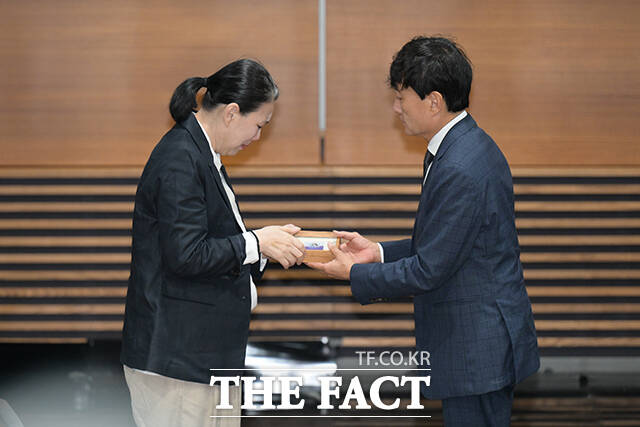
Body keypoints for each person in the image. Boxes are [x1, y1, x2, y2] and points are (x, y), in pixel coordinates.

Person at [308, 36, 540, 426]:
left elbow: (430, 269)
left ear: (433, 101)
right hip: (477, 342)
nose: (396, 108)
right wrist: (377, 252)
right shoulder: (461, 147)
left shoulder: (460, 166)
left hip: (477, 349)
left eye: (402, 98)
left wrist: (355, 273)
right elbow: (445, 244)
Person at [120, 59, 306, 427]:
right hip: (177, 362)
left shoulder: (201, 153)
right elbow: (186, 254)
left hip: (202, 358)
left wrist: (268, 246)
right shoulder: (180, 157)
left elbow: (216, 244)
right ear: (232, 113)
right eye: (259, 125)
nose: (258, 137)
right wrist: (257, 242)